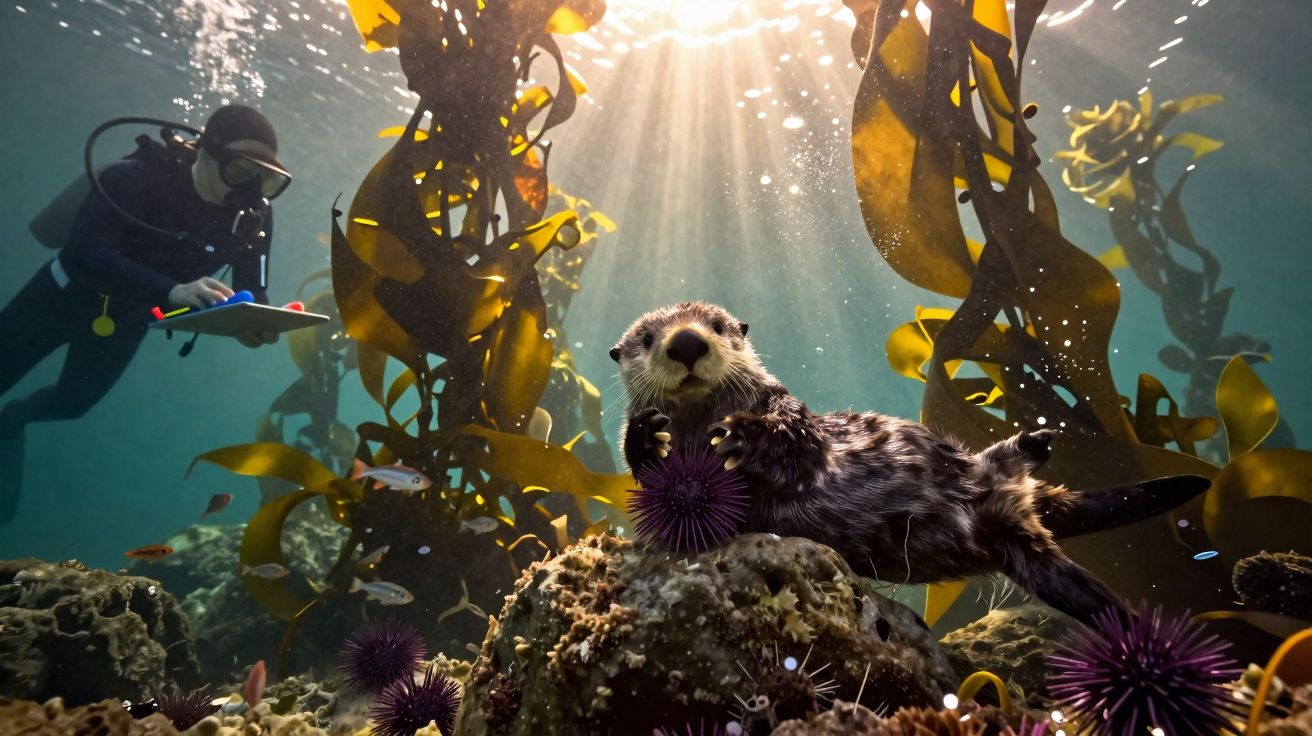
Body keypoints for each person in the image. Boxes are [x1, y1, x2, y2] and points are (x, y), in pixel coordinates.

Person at [0, 104, 292, 527]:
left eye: (265, 179)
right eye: (241, 171)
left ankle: (13, 420)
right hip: (60, 297)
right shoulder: (133, 178)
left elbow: (252, 287)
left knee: (72, 403)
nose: (251, 190)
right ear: (206, 152)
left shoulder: (255, 216)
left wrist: (252, 318)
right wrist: (171, 290)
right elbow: (85, 252)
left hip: (128, 319)